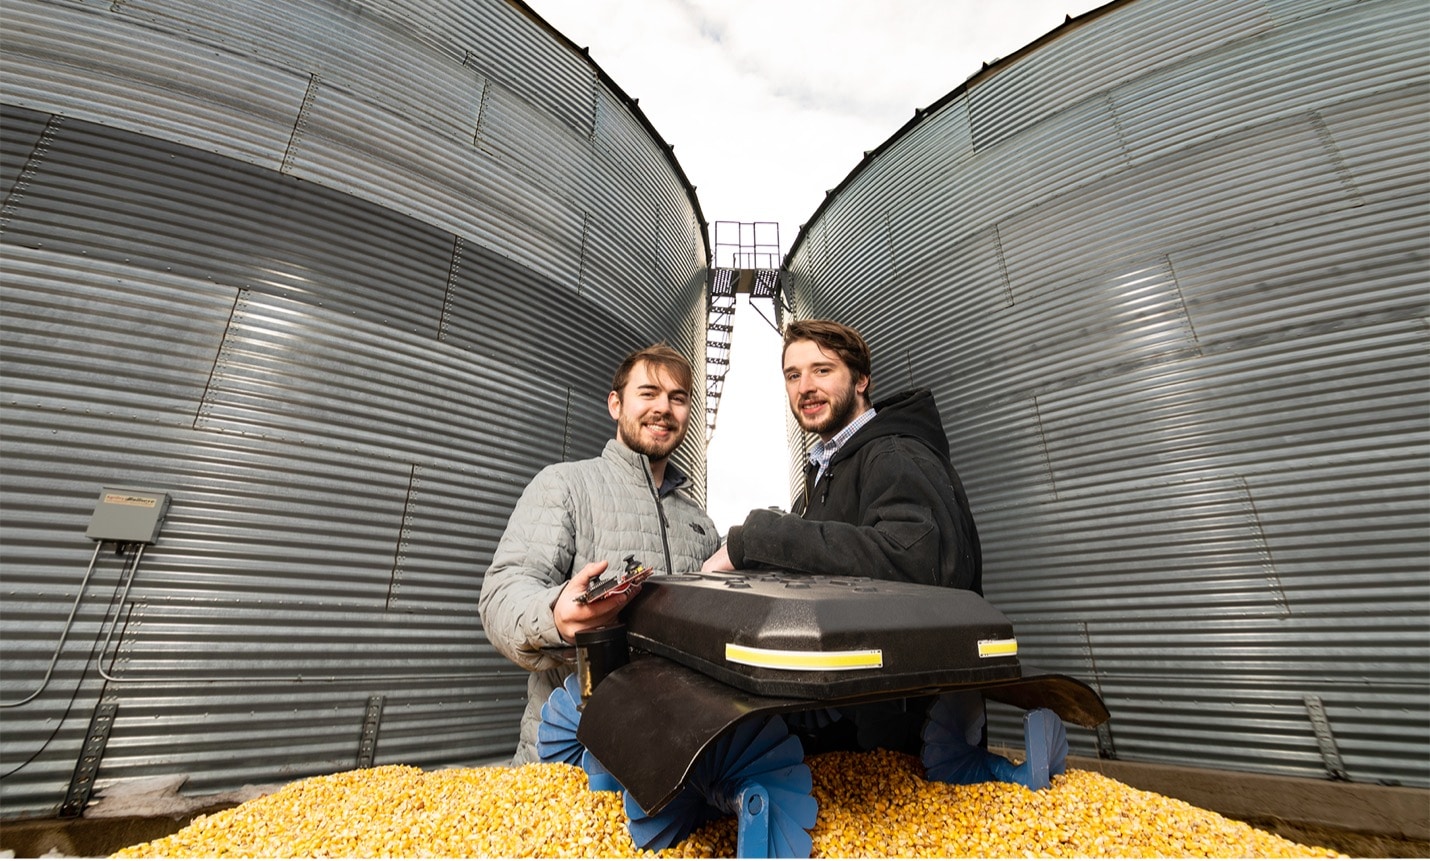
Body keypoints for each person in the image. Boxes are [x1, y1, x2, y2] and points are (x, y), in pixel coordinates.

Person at [701, 318, 982, 754]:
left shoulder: (893, 452)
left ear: (862, 379)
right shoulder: (826, 470)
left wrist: (756, 537)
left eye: (822, 370)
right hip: (851, 728)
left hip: (908, 735)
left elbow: (917, 564)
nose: (805, 386)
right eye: (793, 375)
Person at [479, 343, 720, 765]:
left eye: (677, 398)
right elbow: (501, 596)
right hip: (568, 752)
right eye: (648, 393)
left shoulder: (699, 522)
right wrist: (555, 617)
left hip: (671, 756)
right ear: (615, 404)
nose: (663, 408)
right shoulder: (566, 486)